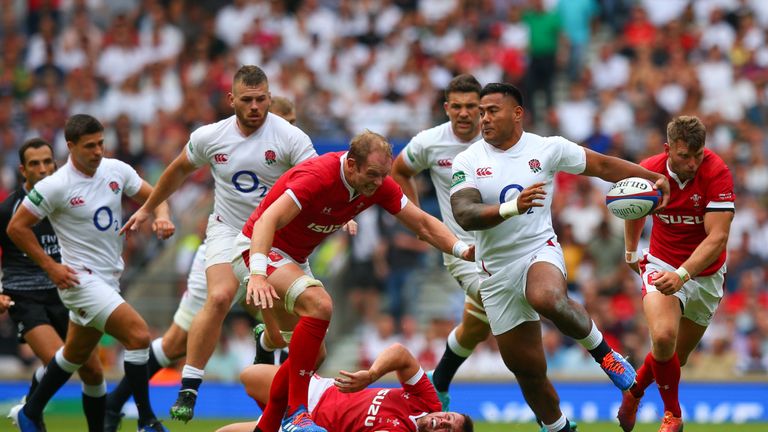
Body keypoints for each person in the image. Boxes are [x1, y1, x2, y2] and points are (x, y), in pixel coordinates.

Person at [448, 83, 671, 432]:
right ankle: (559, 427)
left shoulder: (547, 149)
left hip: (538, 249)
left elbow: (602, 165)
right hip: (494, 272)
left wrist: (653, 177)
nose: (483, 118)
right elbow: (464, 212)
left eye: (492, 111)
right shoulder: (468, 159)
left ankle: (607, 357)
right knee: (528, 372)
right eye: (482, 112)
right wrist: (512, 207)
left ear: (517, 113)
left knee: (547, 297)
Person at [233, 130, 474, 432]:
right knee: (320, 306)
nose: (378, 183)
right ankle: (297, 413)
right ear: (351, 165)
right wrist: (257, 273)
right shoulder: (319, 176)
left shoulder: (377, 184)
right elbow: (267, 220)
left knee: (312, 354)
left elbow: (423, 223)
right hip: (257, 248)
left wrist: (463, 250)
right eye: (372, 175)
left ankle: (267, 425)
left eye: (383, 175)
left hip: (293, 259)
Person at [120, 65, 318, 423]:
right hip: (228, 230)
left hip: (276, 236)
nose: (255, 106)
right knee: (220, 295)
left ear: (270, 98)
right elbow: (178, 170)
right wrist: (150, 208)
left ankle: (289, 396)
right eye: (247, 100)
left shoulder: (290, 138)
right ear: (231, 100)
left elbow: (318, 180)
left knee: (308, 338)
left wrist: (342, 214)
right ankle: (190, 385)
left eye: (261, 99)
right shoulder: (210, 137)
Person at [6, 114, 175, 432]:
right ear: (70, 147)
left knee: (74, 354)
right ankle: (147, 420)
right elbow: (17, 228)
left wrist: (159, 216)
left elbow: (156, 196)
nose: (98, 151)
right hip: (79, 280)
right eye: (89, 146)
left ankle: (31, 410)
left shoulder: (116, 170)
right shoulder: (55, 186)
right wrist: (50, 266)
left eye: (100, 143)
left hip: (109, 278)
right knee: (138, 336)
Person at [618, 116, 735, 432]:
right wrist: (631, 251)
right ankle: (673, 416)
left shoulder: (717, 172)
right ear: (668, 149)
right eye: (685, 156)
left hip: (705, 274)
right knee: (664, 336)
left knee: (672, 359)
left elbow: (717, 238)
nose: (693, 163)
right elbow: (632, 206)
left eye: (699, 155)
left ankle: (634, 392)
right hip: (661, 264)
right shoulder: (649, 169)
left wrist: (684, 275)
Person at [390, 74, 488, 410]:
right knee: (507, 308)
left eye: (471, 107)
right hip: (459, 248)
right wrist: (418, 218)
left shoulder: (498, 141)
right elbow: (398, 170)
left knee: (475, 329)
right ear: (446, 108)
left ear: (482, 109)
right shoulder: (429, 142)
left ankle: (439, 381)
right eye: (457, 106)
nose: (463, 113)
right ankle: (551, 419)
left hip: (501, 247)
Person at [0, 138, 105, 432]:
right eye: (34, 164)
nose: (43, 169)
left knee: (94, 372)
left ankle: (32, 410)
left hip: (68, 291)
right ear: (23, 170)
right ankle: (31, 412)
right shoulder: (9, 209)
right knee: (60, 360)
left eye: (48, 162)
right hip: (25, 296)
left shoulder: (70, 201)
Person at [216, 343, 473, 432]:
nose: (443, 422)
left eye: (448, 430)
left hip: (310, 425)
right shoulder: (428, 403)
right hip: (319, 391)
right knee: (249, 376)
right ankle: (268, 344)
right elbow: (400, 354)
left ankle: (273, 356)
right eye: (449, 418)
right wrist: (371, 375)